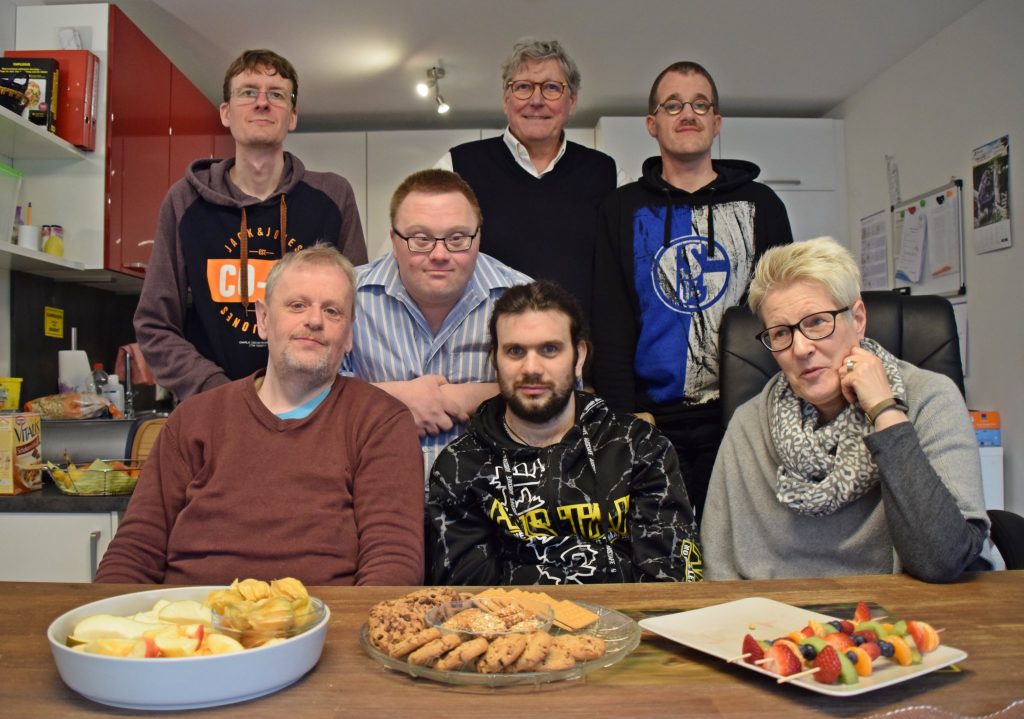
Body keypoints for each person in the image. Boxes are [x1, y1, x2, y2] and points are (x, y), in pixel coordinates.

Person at [97, 245, 424, 586]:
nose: (315, 320)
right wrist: (103, 617)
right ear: (263, 319)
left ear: (350, 334)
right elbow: (135, 549)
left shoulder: (380, 422)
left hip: (324, 616)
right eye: (297, 305)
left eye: (332, 311)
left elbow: (392, 560)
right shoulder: (193, 419)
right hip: (191, 615)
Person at [700, 237, 991, 581]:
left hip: (897, 607)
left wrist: (885, 411)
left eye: (817, 322)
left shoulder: (930, 399)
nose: (801, 349)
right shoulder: (748, 424)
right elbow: (717, 567)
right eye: (780, 333)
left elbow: (942, 559)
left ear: (858, 319)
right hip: (771, 609)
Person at [592, 60, 793, 519]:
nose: (688, 113)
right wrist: (623, 416)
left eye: (700, 104)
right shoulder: (621, 208)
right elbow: (610, 318)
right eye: (673, 105)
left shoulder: (762, 204)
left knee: (739, 543)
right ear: (652, 124)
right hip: (652, 421)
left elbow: (784, 313)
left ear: (717, 122)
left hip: (746, 416)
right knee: (662, 548)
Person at [426, 280, 702, 585]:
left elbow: (672, 583)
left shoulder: (641, 448)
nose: (532, 368)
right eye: (515, 351)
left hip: (627, 617)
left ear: (579, 356)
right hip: (512, 620)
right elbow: (466, 599)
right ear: (495, 360)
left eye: (549, 349)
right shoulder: (460, 465)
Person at [134, 49, 367, 402]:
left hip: (312, 408)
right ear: (226, 113)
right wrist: (219, 393)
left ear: (292, 117)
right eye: (248, 92)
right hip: (213, 409)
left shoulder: (333, 196)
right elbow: (154, 324)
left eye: (277, 94)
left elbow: (356, 314)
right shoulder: (184, 201)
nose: (262, 102)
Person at [345, 169, 530, 477]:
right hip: (370, 490)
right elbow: (304, 395)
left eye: (457, 239)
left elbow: (564, 396)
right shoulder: (345, 296)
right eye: (421, 239)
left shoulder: (526, 299)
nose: (440, 254)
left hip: (493, 495)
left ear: (478, 237)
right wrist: (391, 401)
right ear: (393, 240)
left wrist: (467, 398)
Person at [436, 39, 625, 322]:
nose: (536, 101)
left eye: (552, 88)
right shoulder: (456, 168)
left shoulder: (608, 175)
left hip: (580, 346)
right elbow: (410, 251)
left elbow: (629, 274)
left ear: (572, 102)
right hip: (482, 344)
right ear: (506, 99)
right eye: (523, 87)